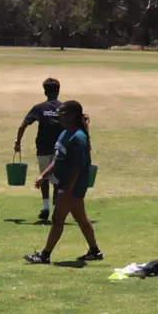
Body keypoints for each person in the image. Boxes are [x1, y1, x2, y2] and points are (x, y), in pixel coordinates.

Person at [26, 101, 101, 264]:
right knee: (81, 219)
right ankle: (95, 251)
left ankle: (44, 255)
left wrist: (68, 189)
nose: (59, 115)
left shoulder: (78, 138)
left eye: (63, 112)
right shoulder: (65, 133)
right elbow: (58, 159)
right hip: (67, 184)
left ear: (72, 115)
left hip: (71, 186)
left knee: (57, 220)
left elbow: (77, 167)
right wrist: (43, 175)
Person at [14, 78, 65, 223]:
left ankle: (46, 207)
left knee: (44, 176)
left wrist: (18, 142)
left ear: (45, 92)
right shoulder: (64, 108)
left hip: (43, 147)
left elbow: (23, 125)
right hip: (60, 149)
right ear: (58, 91)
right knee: (57, 180)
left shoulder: (39, 108)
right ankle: (55, 209)